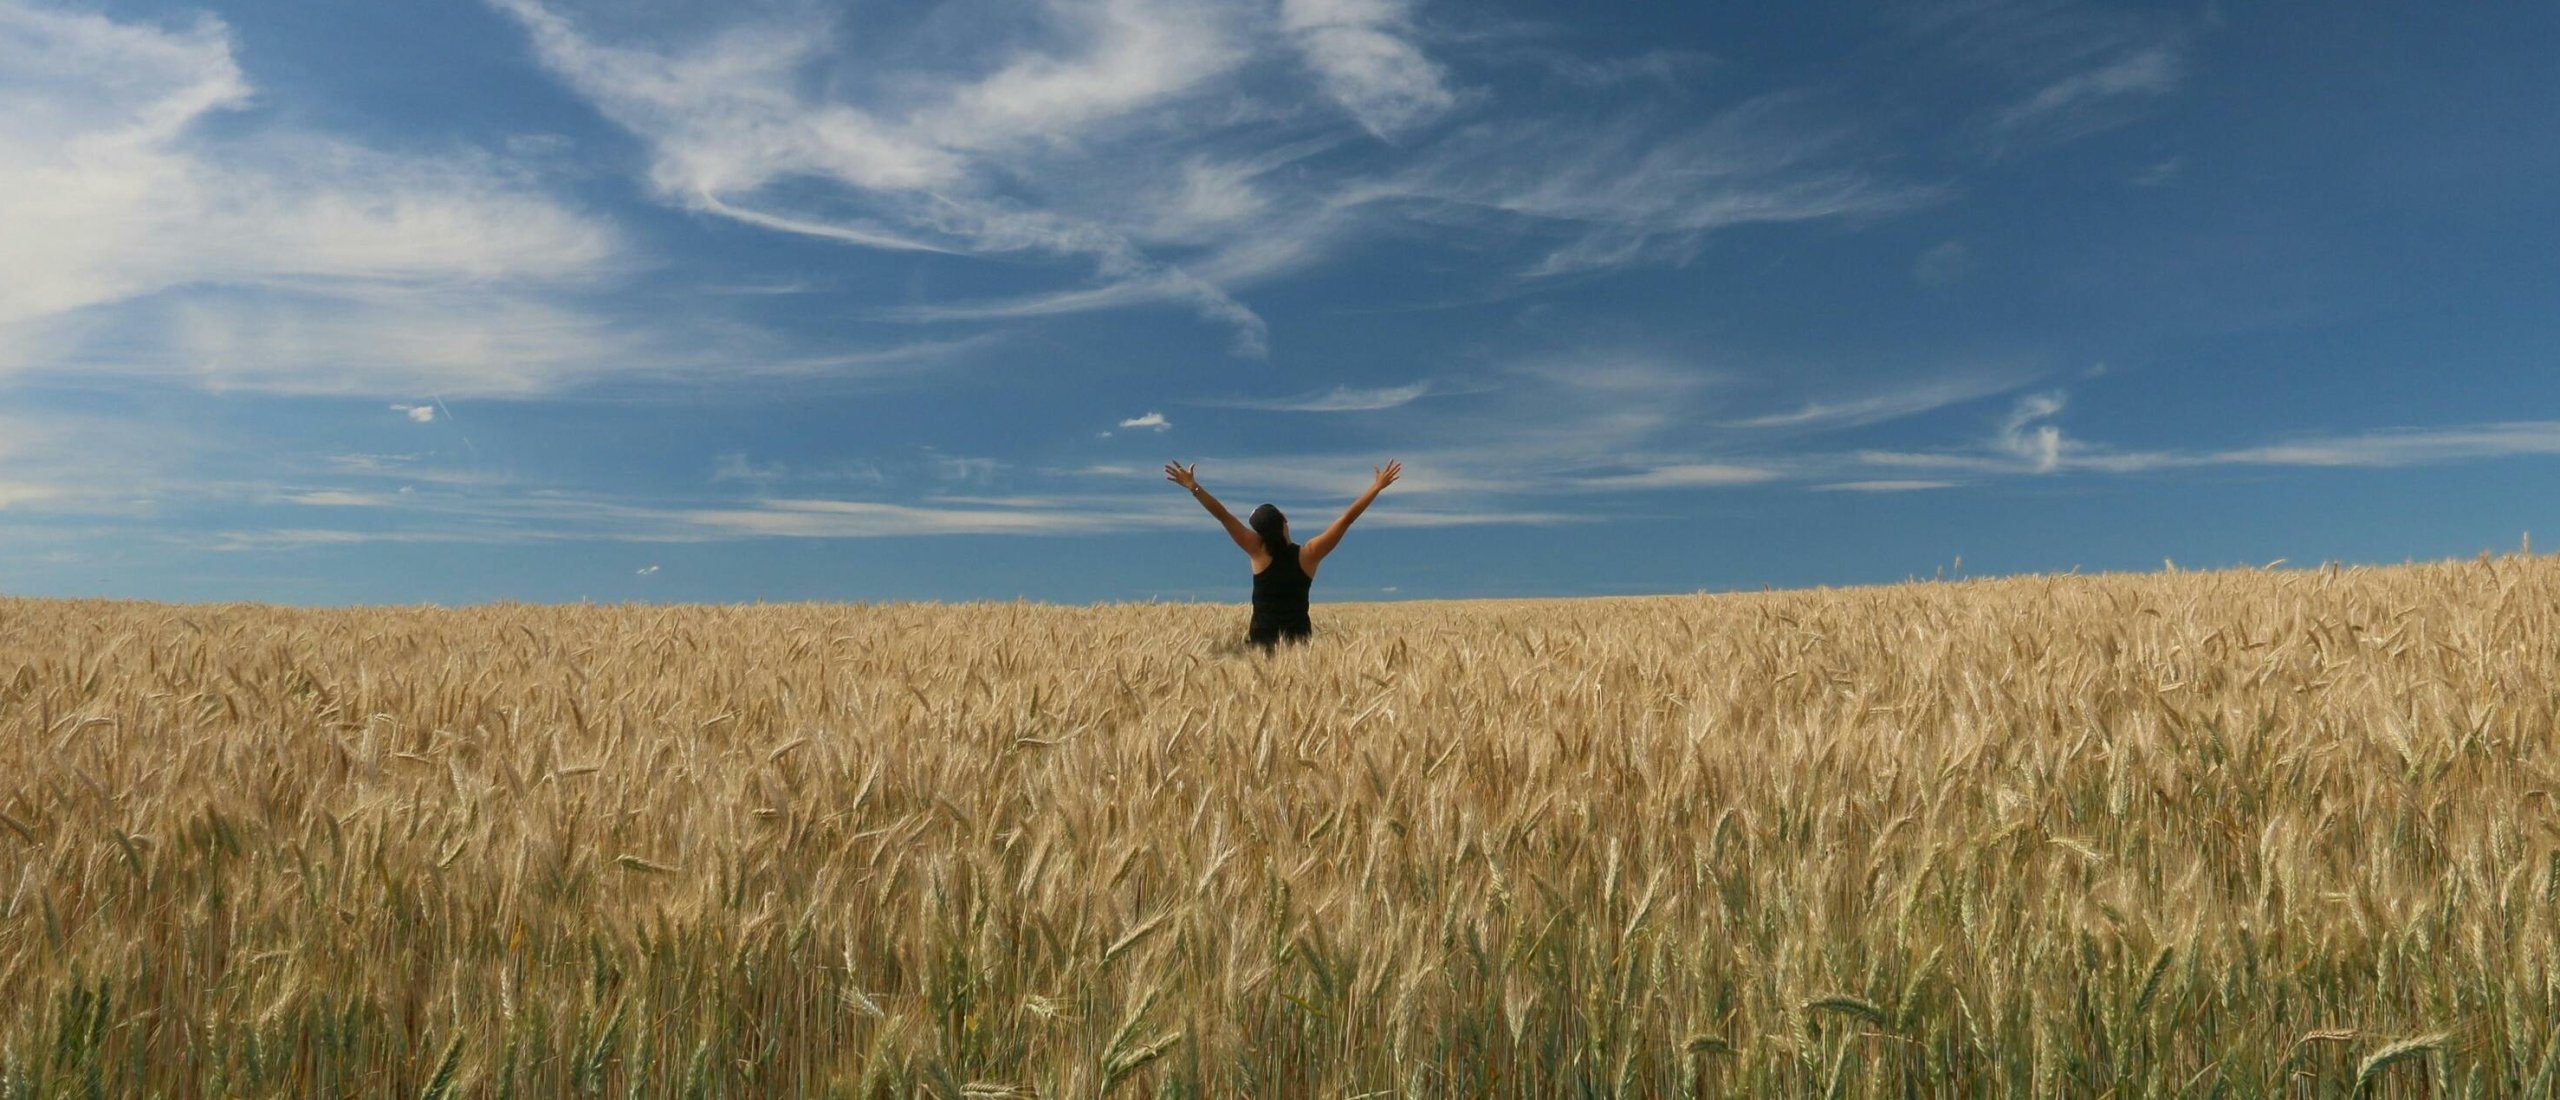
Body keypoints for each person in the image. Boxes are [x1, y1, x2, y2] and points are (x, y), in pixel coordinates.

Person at [1163, 459, 1402, 650]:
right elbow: (1347, 519)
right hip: (1299, 644)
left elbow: (1223, 515)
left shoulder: (1256, 550)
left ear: (1259, 533)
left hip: (1261, 642)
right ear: (1285, 521)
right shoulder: (1309, 554)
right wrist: (1376, 487)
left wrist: (1193, 486)